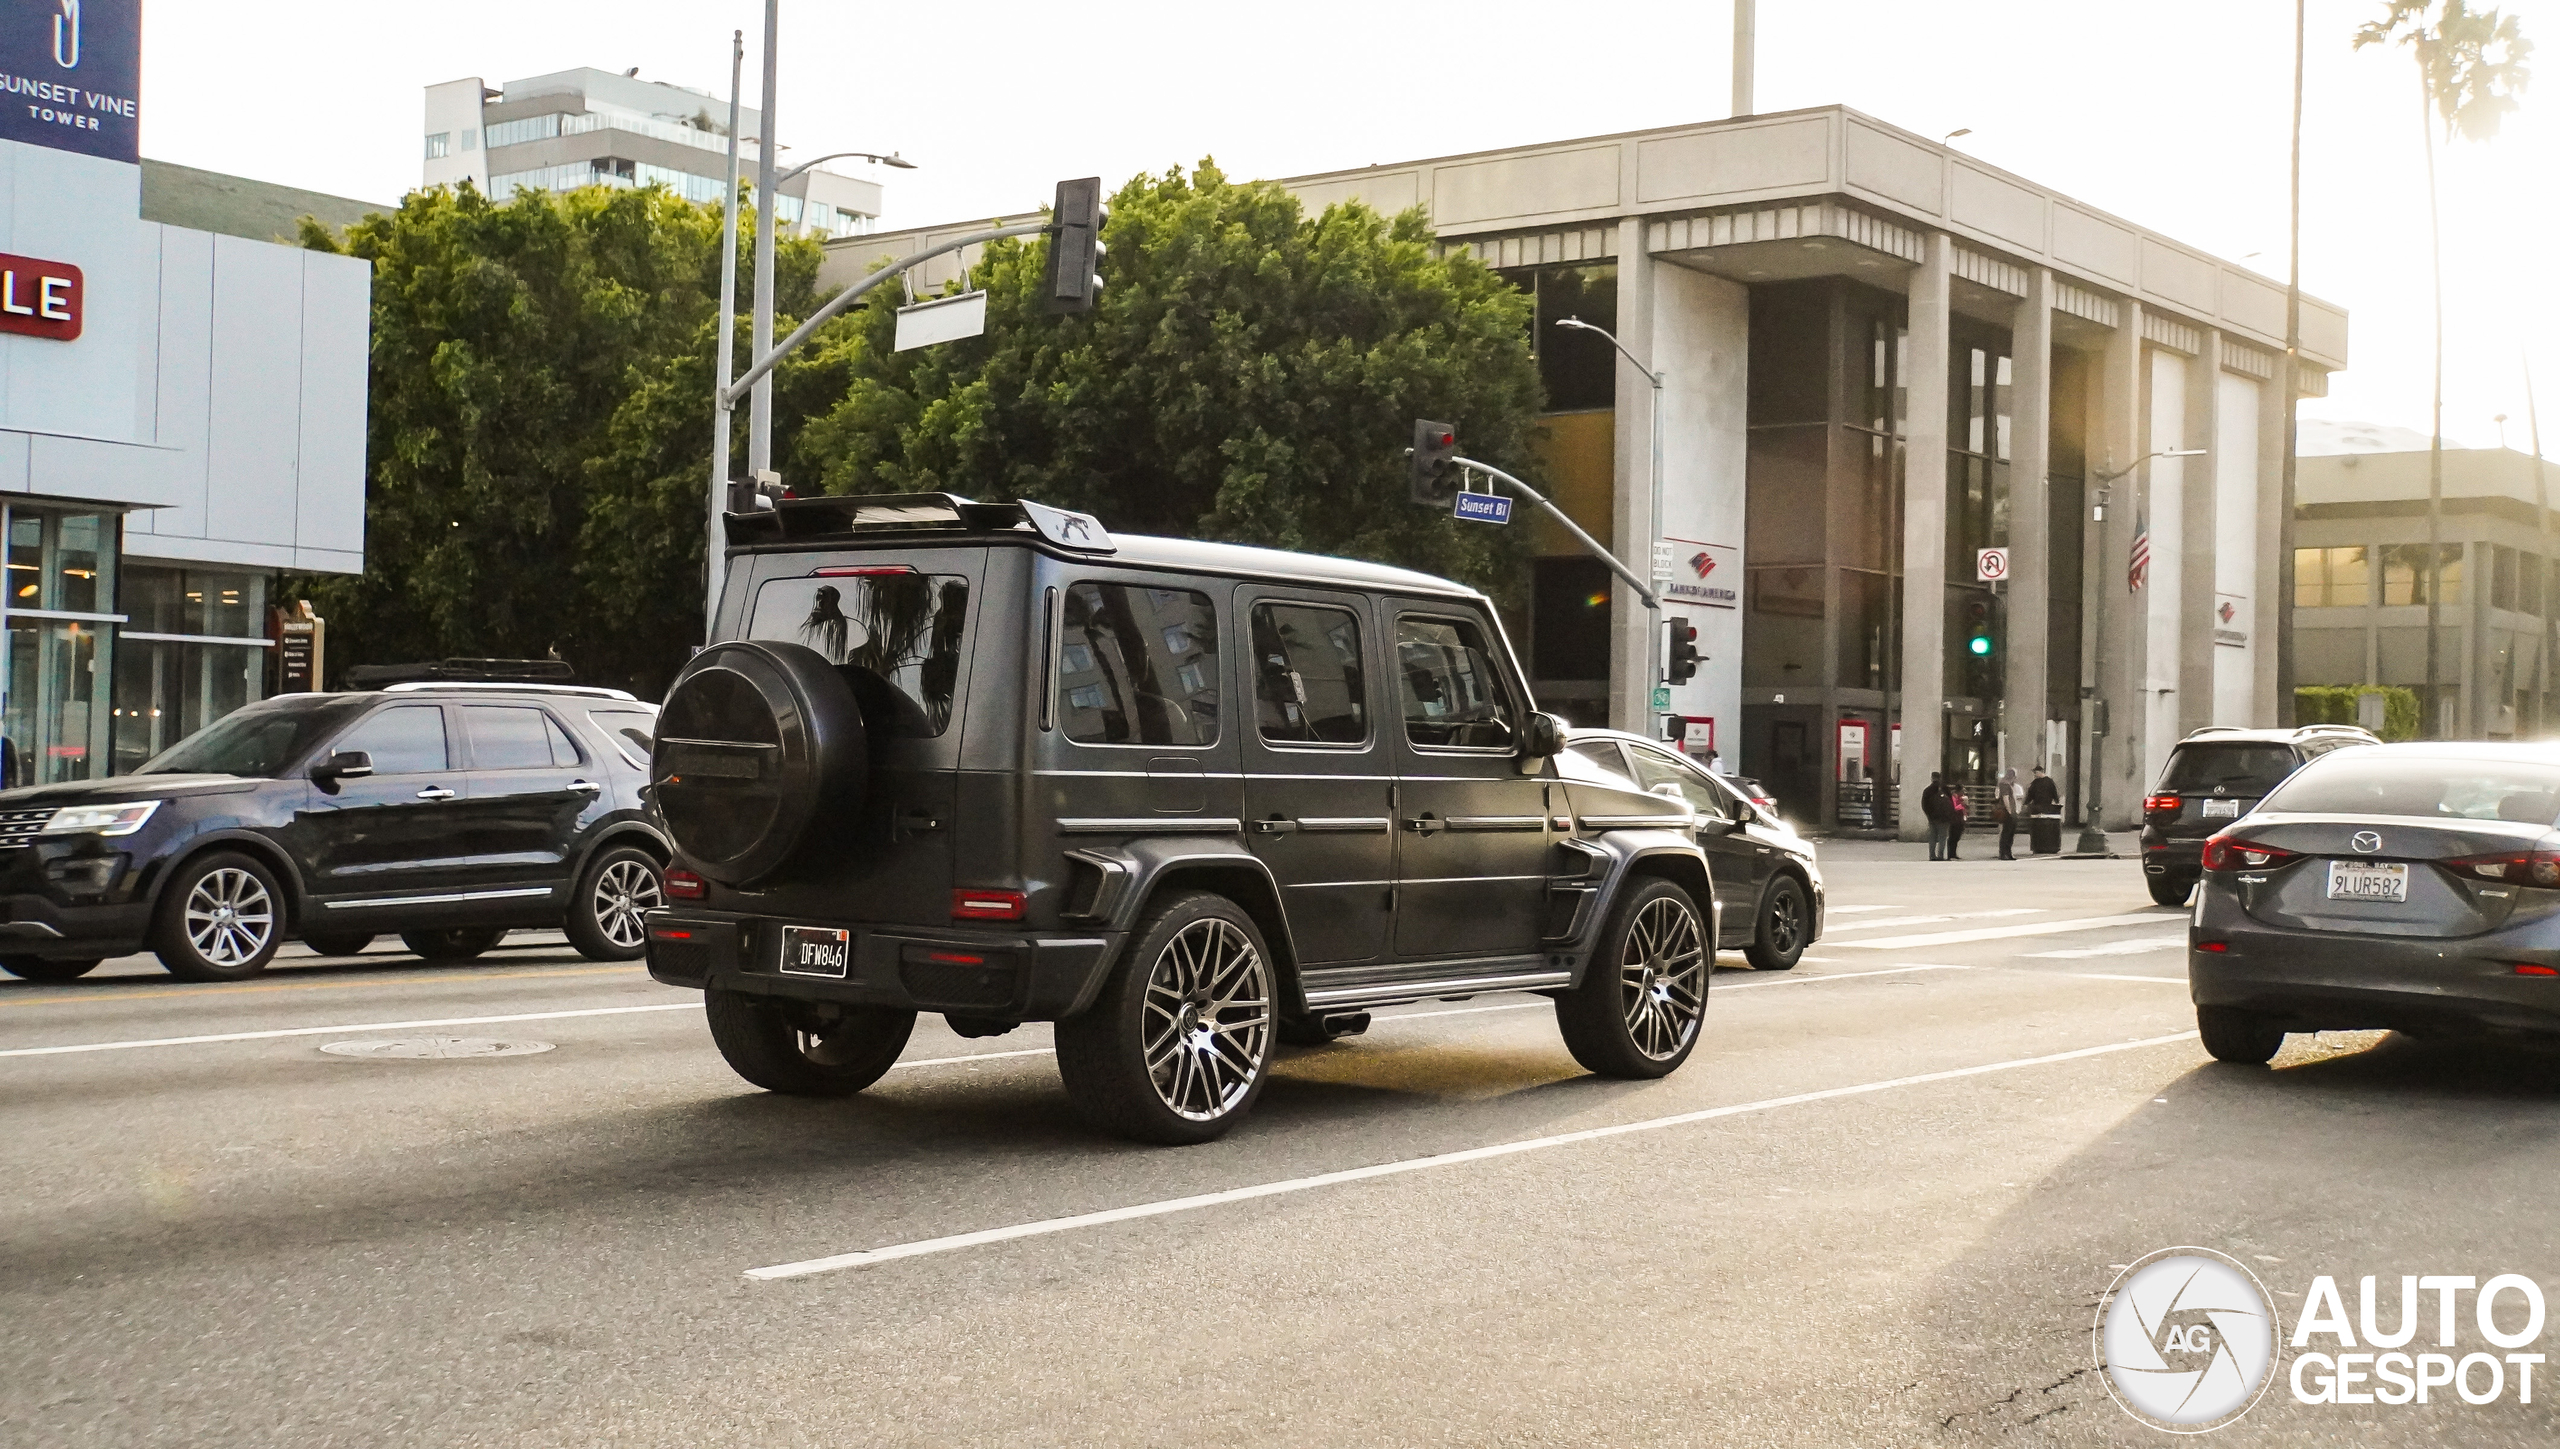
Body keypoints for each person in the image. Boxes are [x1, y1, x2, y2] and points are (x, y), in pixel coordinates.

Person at [1995, 766, 2025, 861]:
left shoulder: (2008, 784)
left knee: (2010, 833)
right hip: (2008, 811)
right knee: (2007, 833)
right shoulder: (2004, 784)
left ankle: (2008, 852)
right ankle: (2004, 853)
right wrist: (2009, 810)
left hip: (2012, 810)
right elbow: (2006, 798)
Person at [1921, 771, 1951, 861]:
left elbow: (1924, 805)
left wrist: (1929, 815)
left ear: (1932, 778)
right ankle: (1940, 855)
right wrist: (1949, 815)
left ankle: (1932, 855)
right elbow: (1951, 803)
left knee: (1932, 837)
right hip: (1944, 818)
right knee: (1942, 837)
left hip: (1932, 818)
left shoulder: (1927, 790)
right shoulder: (1945, 789)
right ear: (1940, 778)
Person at [1946, 779, 1969, 860]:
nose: (1963, 792)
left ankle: (1954, 853)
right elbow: (1955, 807)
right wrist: (1962, 805)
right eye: (1962, 790)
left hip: (1960, 818)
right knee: (1953, 837)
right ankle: (1950, 854)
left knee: (1957, 837)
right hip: (1955, 818)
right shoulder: (1954, 796)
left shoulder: (1961, 797)